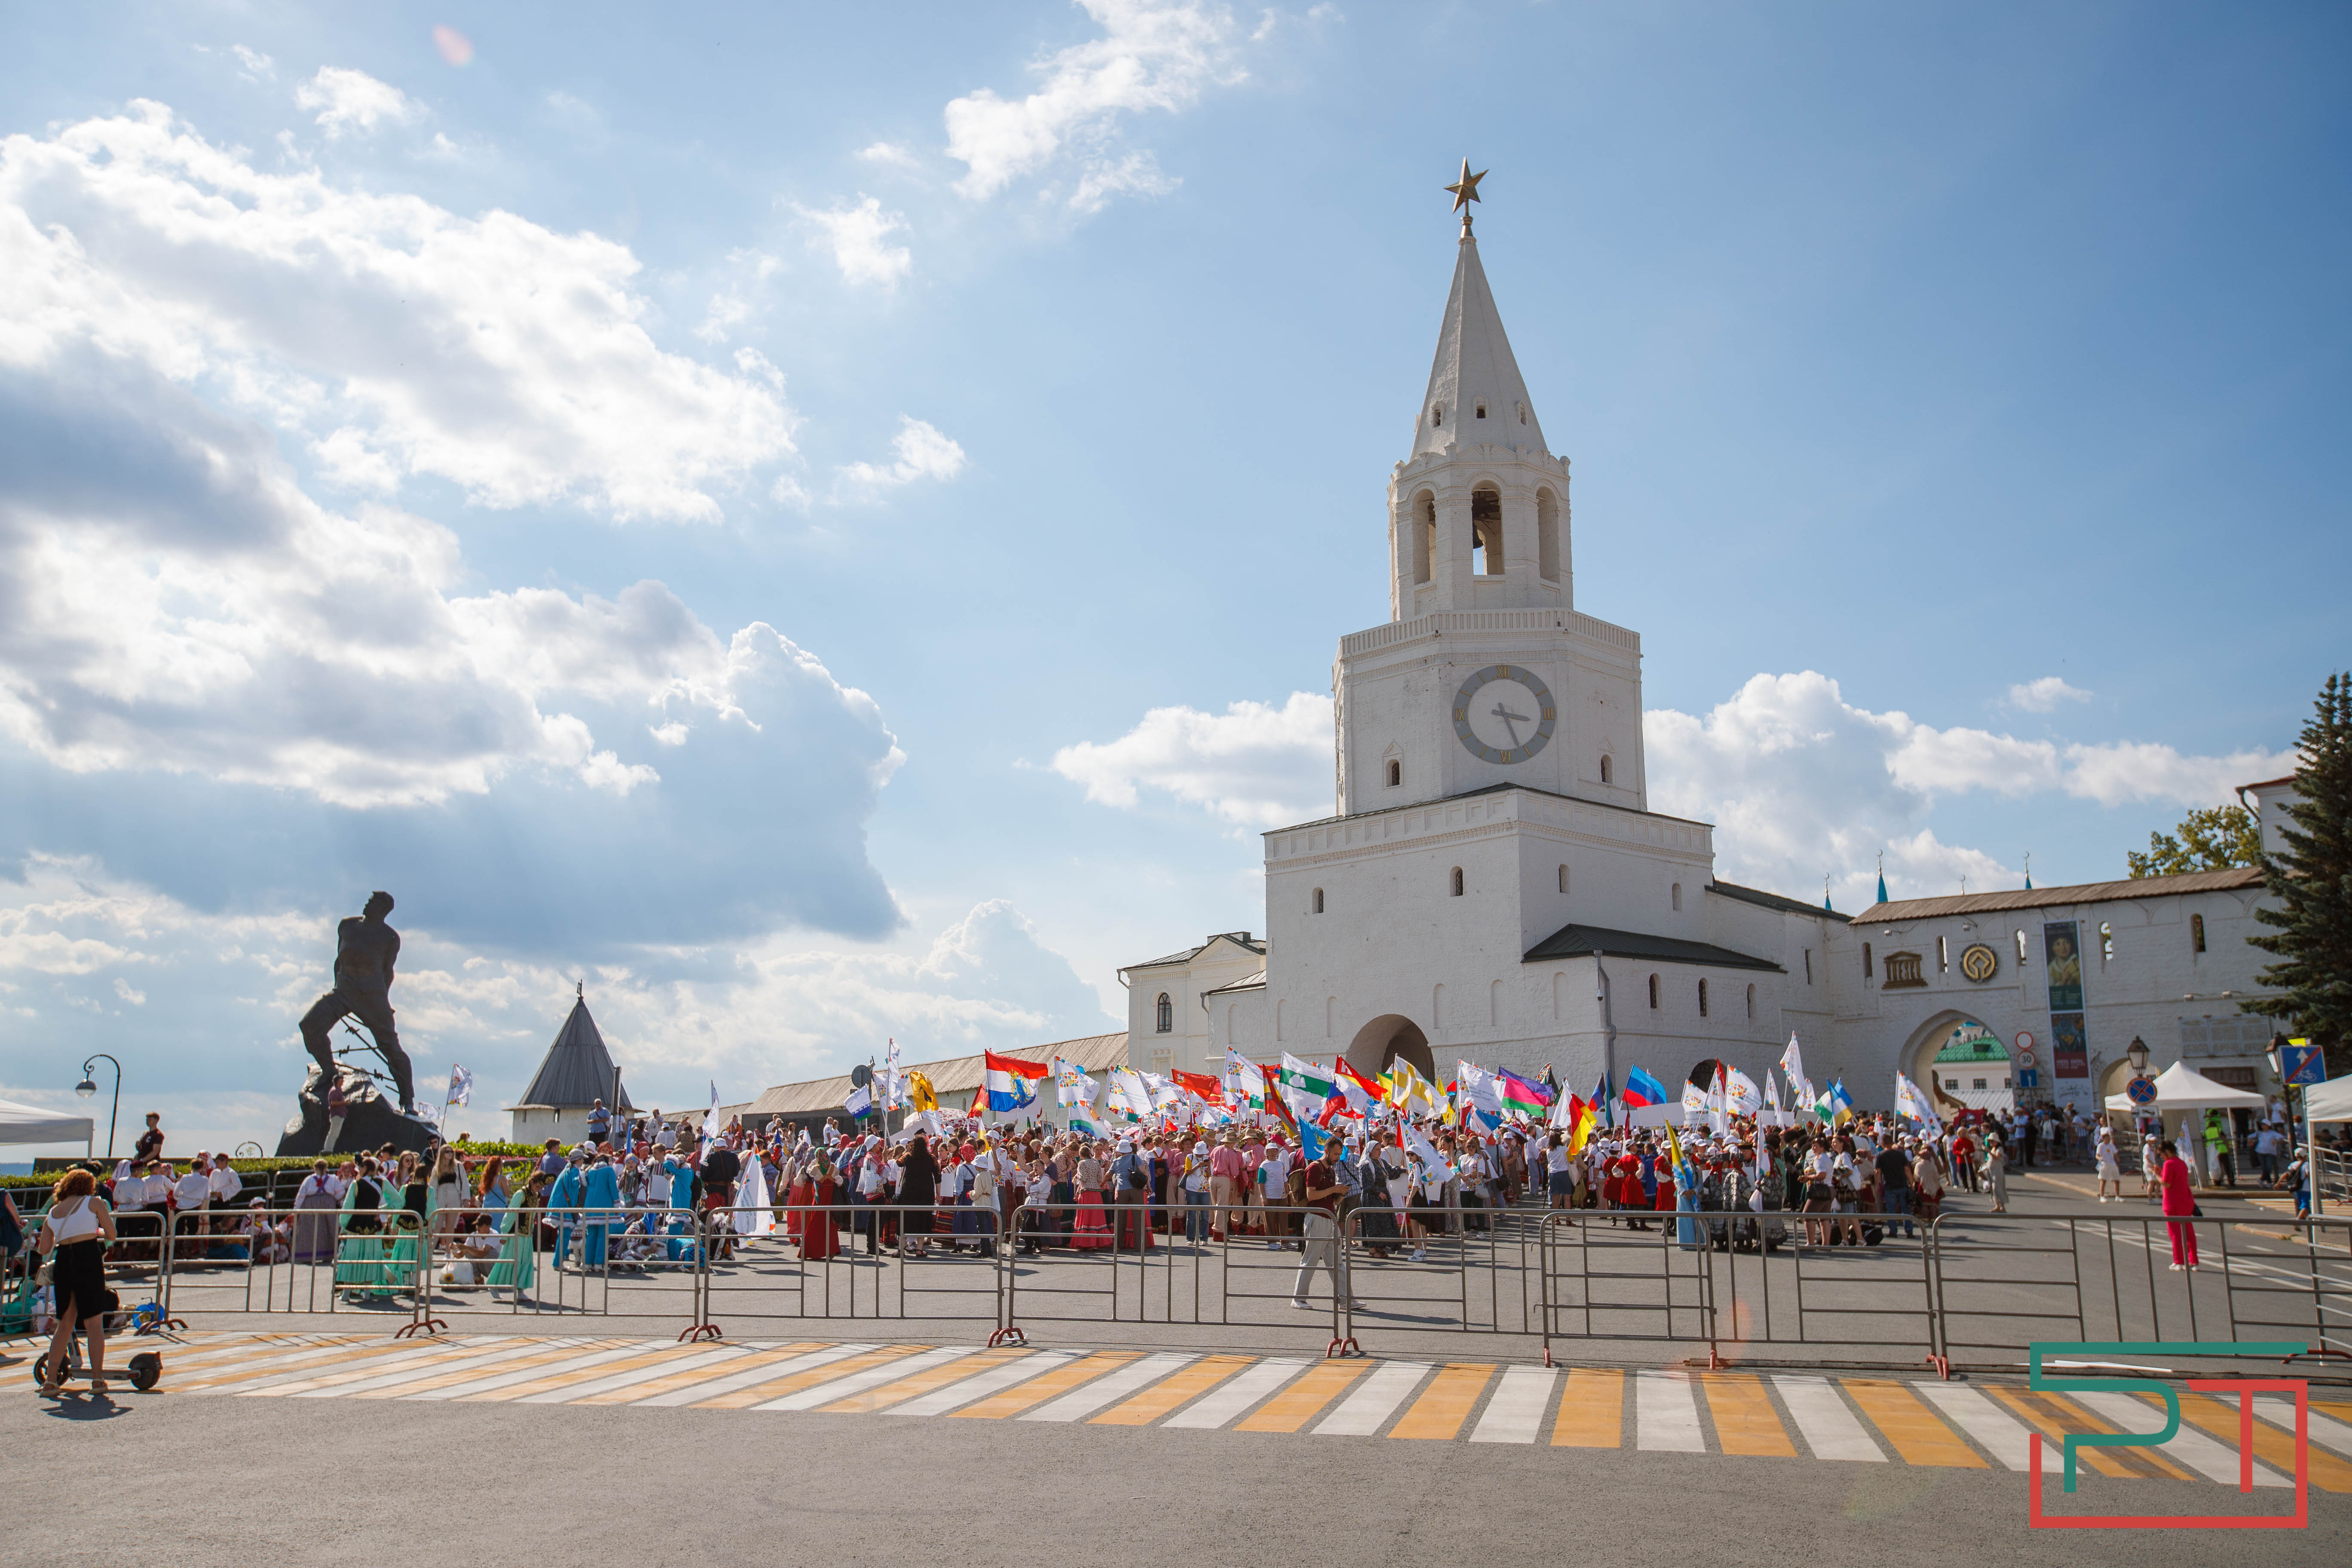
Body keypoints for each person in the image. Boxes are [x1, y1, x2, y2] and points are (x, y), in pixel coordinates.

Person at [34, 1167, 118, 1396]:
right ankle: (98, 1379)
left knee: (65, 1324)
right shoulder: (95, 1203)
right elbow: (112, 1235)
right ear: (88, 1186)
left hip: (64, 1260)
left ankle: (50, 1381)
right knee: (94, 1323)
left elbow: (44, 1249)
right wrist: (96, 1231)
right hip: (87, 1257)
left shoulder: (53, 1212)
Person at [1289, 1148, 1360, 1312]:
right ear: (1327, 1151)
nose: (1338, 1158)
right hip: (1318, 1218)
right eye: (1336, 1154)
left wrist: (1342, 1193)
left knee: (1337, 1263)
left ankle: (1346, 1299)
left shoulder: (1330, 1171)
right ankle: (1298, 1298)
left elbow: (1333, 1201)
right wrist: (1335, 1190)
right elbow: (1311, 1195)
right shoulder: (1314, 1168)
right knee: (1310, 1260)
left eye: (1339, 1154)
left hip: (1329, 1219)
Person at [2158, 1139, 2199, 1270]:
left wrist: (2156, 1175)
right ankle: (2194, 1260)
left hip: (2172, 1203)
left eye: (2161, 1154)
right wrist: (2160, 1172)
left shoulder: (2169, 1164)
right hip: (2186, 1201)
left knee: (2175, 1233)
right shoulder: (2182, 1163)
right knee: (2189, 1233)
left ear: (2167, 1152)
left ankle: (2179, 1261)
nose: (2161, 1157)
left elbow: (2167, 1183)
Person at [897, 1133, 940, 1259]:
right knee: (924, 1218)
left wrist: (907, 1149)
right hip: (926, 1192)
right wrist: (938, 1194)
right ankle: (920, 1249)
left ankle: (902, 1249)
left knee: (906, 1218)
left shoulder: (908, 1156)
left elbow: (898, 1162)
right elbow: (938, 1177)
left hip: (909, 1192)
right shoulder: (932, 1158)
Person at [1981, 1134, 2009, 1214]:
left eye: (1992, 1141)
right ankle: (1997, 1205)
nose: (1991, 1143)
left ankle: (2002, 1206)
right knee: (1993, 1189)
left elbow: (1997, 1157)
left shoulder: (1999, 1149)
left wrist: (1988, 1151)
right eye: (1990, 1141)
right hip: (1991, 1171)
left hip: (1997, 1171)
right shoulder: (1993, 1149)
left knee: (1998, 1188)